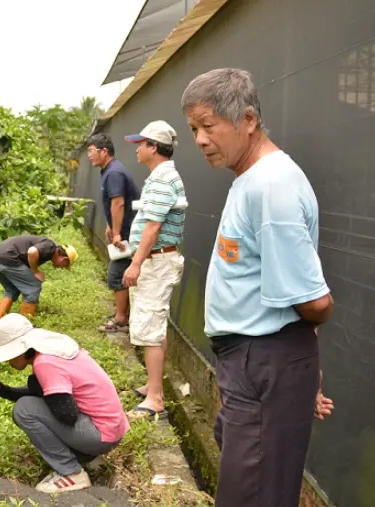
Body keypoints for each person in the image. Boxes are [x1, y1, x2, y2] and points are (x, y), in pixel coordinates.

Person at [181, 68, 334, 507]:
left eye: (209, 126)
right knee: (247, 481)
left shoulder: (271, 186)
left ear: (247, 119)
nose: (200, 139)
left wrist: (298, 361)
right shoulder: (249, 178)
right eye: (194, 129)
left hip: (266, 358)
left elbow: (314, 301)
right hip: (254, 360)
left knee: (253, 496)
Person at [0, 313, 129, 494]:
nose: (8, 361)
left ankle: (72, 473)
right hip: (110, 428)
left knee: (24, 409)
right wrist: (6, 391)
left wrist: (37, 387)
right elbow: (54, 395)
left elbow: (67, 414)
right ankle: (88, 458)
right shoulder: (52, 350)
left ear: (22, 349)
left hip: (100, 434)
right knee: (30, 404)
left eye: (9, 355)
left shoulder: (45, 363)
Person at [121, 120, 186, 420]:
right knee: (154, 325)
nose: (137, 148)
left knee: (149, 327)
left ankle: (156, 398)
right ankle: (152, 385)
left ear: (154, 148)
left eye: (141, 143)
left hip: (156, 261)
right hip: (155, 260)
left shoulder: (162, 179)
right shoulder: (159, 176)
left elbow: (153, 225)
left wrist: (135, 263)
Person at [86, 133, 141, 334]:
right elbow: (114, 203)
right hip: (123, 230)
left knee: (116, 275)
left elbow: (119, 202)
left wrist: (116, 233)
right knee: (119, 275)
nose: (89, 156)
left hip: (127, 234)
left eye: (91, 151)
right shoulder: (109, 170)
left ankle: (120, 320)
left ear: (104, 151)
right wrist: (110, 225)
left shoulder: (114, 173)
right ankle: (123, 317)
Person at [0, 235, 77, 322]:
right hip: (7, 258)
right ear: (64, 259)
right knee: (33, 287)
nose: (61, 268)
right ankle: (25, 326)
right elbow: (32, 251)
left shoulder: (47, 250)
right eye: (64, 266)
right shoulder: (50, 246)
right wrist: (35, 271)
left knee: (12, 289)